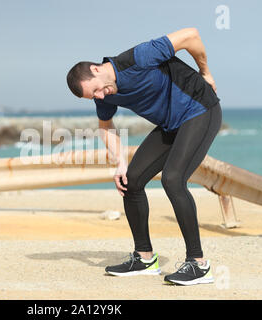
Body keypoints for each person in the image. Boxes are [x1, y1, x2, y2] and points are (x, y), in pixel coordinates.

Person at [66, 28, 222, 286]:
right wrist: (120, 163)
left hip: (200, 109)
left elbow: (191, 36)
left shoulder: (139, 58)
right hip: (172, 125)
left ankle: (198, 264)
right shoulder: (105, 95)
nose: (100, 96)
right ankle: (145, 258)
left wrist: (205, 72)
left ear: (96, 69)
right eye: (93, 96)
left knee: (173, 179)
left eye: (96, 90)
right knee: (132, 180)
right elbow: (105, 128)